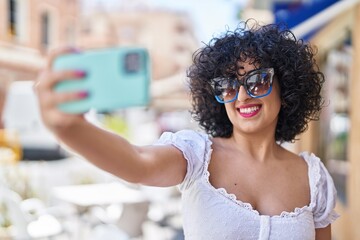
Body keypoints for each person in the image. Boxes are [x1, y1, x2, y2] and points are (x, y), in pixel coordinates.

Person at [35, 20, 339, 240]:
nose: (242, 95)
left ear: (283, 86)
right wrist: (69, 129)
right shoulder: (198, 156)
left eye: (256, 81)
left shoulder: (314, 178)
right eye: (228, 85)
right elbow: (138, 162)